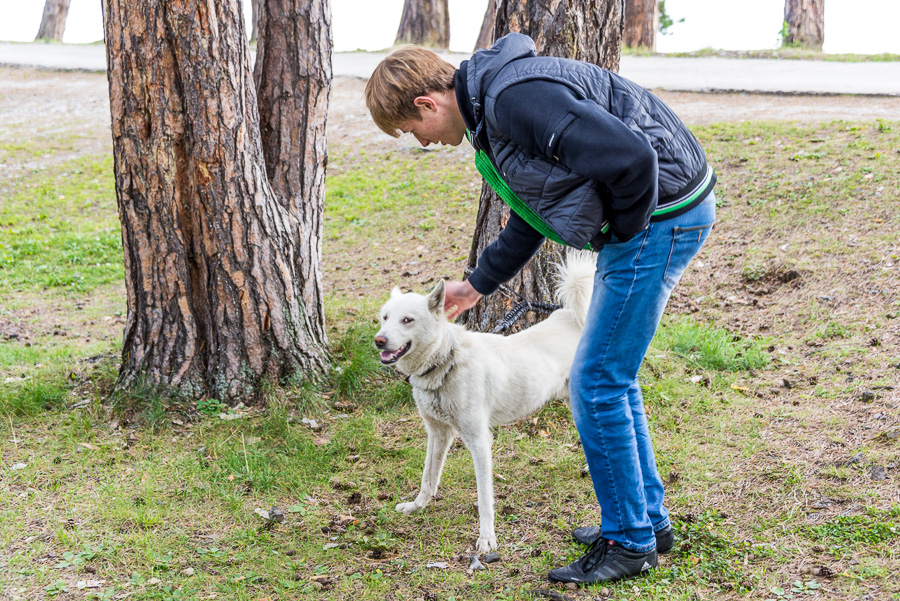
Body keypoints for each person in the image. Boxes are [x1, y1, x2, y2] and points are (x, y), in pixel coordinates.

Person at [365, 32, 717, 585]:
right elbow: (538, 207)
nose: (424, 143)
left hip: (664, 214)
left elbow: (633, 159)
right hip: (661, 214)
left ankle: (629, 542)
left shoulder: (514, 99)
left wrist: (623, 239)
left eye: (414, 131)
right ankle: (648, 521)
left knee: (597, 379)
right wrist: (477, 285)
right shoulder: (492, 113)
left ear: (426, 104)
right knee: (613, 378)